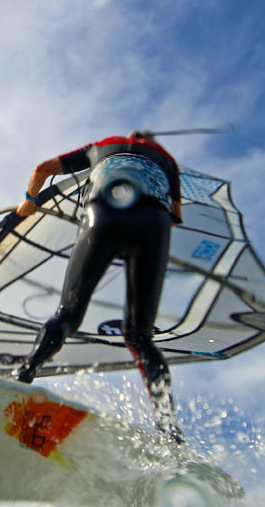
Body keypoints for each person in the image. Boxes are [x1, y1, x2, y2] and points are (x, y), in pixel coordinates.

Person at [13, 131, 185, 443]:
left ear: (130, 137)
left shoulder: (103, 146)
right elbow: (175, 215)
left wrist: (30, 201)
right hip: (153, 224)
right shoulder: (168, 161)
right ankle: (168, 425)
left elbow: (42, 169)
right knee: (140, 335)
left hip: (102, 213)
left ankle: (26, 372)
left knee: (68, 313)